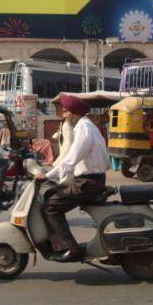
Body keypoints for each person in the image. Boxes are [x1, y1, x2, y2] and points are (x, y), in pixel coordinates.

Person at [35, 95, 109, 263]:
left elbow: (70, 159)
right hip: (89, 179)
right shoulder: (87, 126)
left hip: (87, 182)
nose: (63, 114)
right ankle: (59, 244)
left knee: (51, 207)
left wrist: (47, 175)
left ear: (74, 112)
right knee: (50, 194)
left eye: (66, 111)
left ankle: (72, 248)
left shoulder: (83, 128)